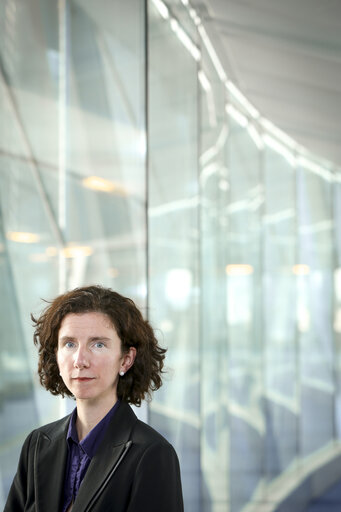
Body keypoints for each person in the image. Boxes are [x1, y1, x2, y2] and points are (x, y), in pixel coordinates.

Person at [4, 285, 184, 512]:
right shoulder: (37, 443)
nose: (80, 360)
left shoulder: (152, 454)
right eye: (69, 344)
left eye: (98, 344)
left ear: (126, 360)